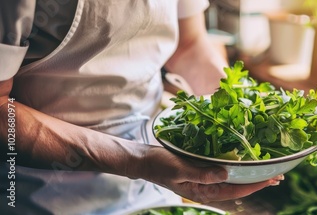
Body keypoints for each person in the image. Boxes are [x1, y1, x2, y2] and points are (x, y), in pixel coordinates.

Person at [0, 0, 283, 214]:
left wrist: (242, 110)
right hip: (40, 191)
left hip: (156, 177)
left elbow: (190, 44)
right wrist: (139, 161)